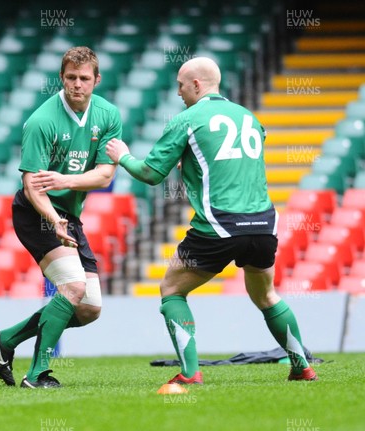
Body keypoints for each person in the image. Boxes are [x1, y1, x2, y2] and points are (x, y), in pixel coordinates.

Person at [106, 57, 318, 384]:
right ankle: (301, 365)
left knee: (172, 289)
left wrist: (123, 157)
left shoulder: (187, 119)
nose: (177, 92)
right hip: (263, 224)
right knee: (266, 295)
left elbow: (150, 173)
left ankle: (190, 374)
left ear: (196, 84)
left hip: (219, 225)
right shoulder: (249, 117)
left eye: (180, 85)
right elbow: (231, 162)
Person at [0, 46, 122, 388]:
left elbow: (105, 175)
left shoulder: (108, 114)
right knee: (73, 287)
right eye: (71, 77)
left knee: (89, 309)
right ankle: (38, 373)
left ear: (96, 80)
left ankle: (7, 339)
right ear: (61, 78)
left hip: (69, 214)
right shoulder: (42, 121)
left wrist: (65, 182)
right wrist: (52, 217)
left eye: (84, 78)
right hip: (36, 212)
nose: (77, 84)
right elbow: (31, 184)